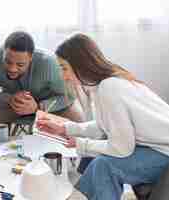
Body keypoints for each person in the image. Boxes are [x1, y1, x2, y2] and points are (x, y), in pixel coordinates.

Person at [36, 33, 169, 200]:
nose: (63, 76)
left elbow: (122, 148)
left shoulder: (109, 87)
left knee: (103, 165)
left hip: (164, 151)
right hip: (155, 146)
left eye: (64, 68)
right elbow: (103, 125)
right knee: (94, 159)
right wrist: (66, 128)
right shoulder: (103, 84)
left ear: (81, 64)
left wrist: (80, 144)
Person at [0, 31, 83, 129]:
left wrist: (38, 107)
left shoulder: (49, 62)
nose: (12, 69)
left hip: (47, 109)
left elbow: (69, 96)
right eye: (8, 62)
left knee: (76, 116)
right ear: (3, 52)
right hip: (11, 108)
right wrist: (9, 98)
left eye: (20, 65)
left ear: (31, 58)